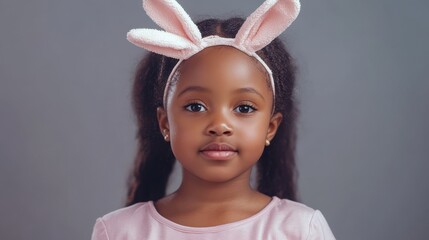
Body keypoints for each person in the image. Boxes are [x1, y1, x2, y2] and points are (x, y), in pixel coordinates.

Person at [91, 0, 336, 239]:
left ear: (270, 128)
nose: (219, 125)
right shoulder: (118, 232)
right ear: (165, 123)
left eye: (244, 108)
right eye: (196, 106)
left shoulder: (301, 230)